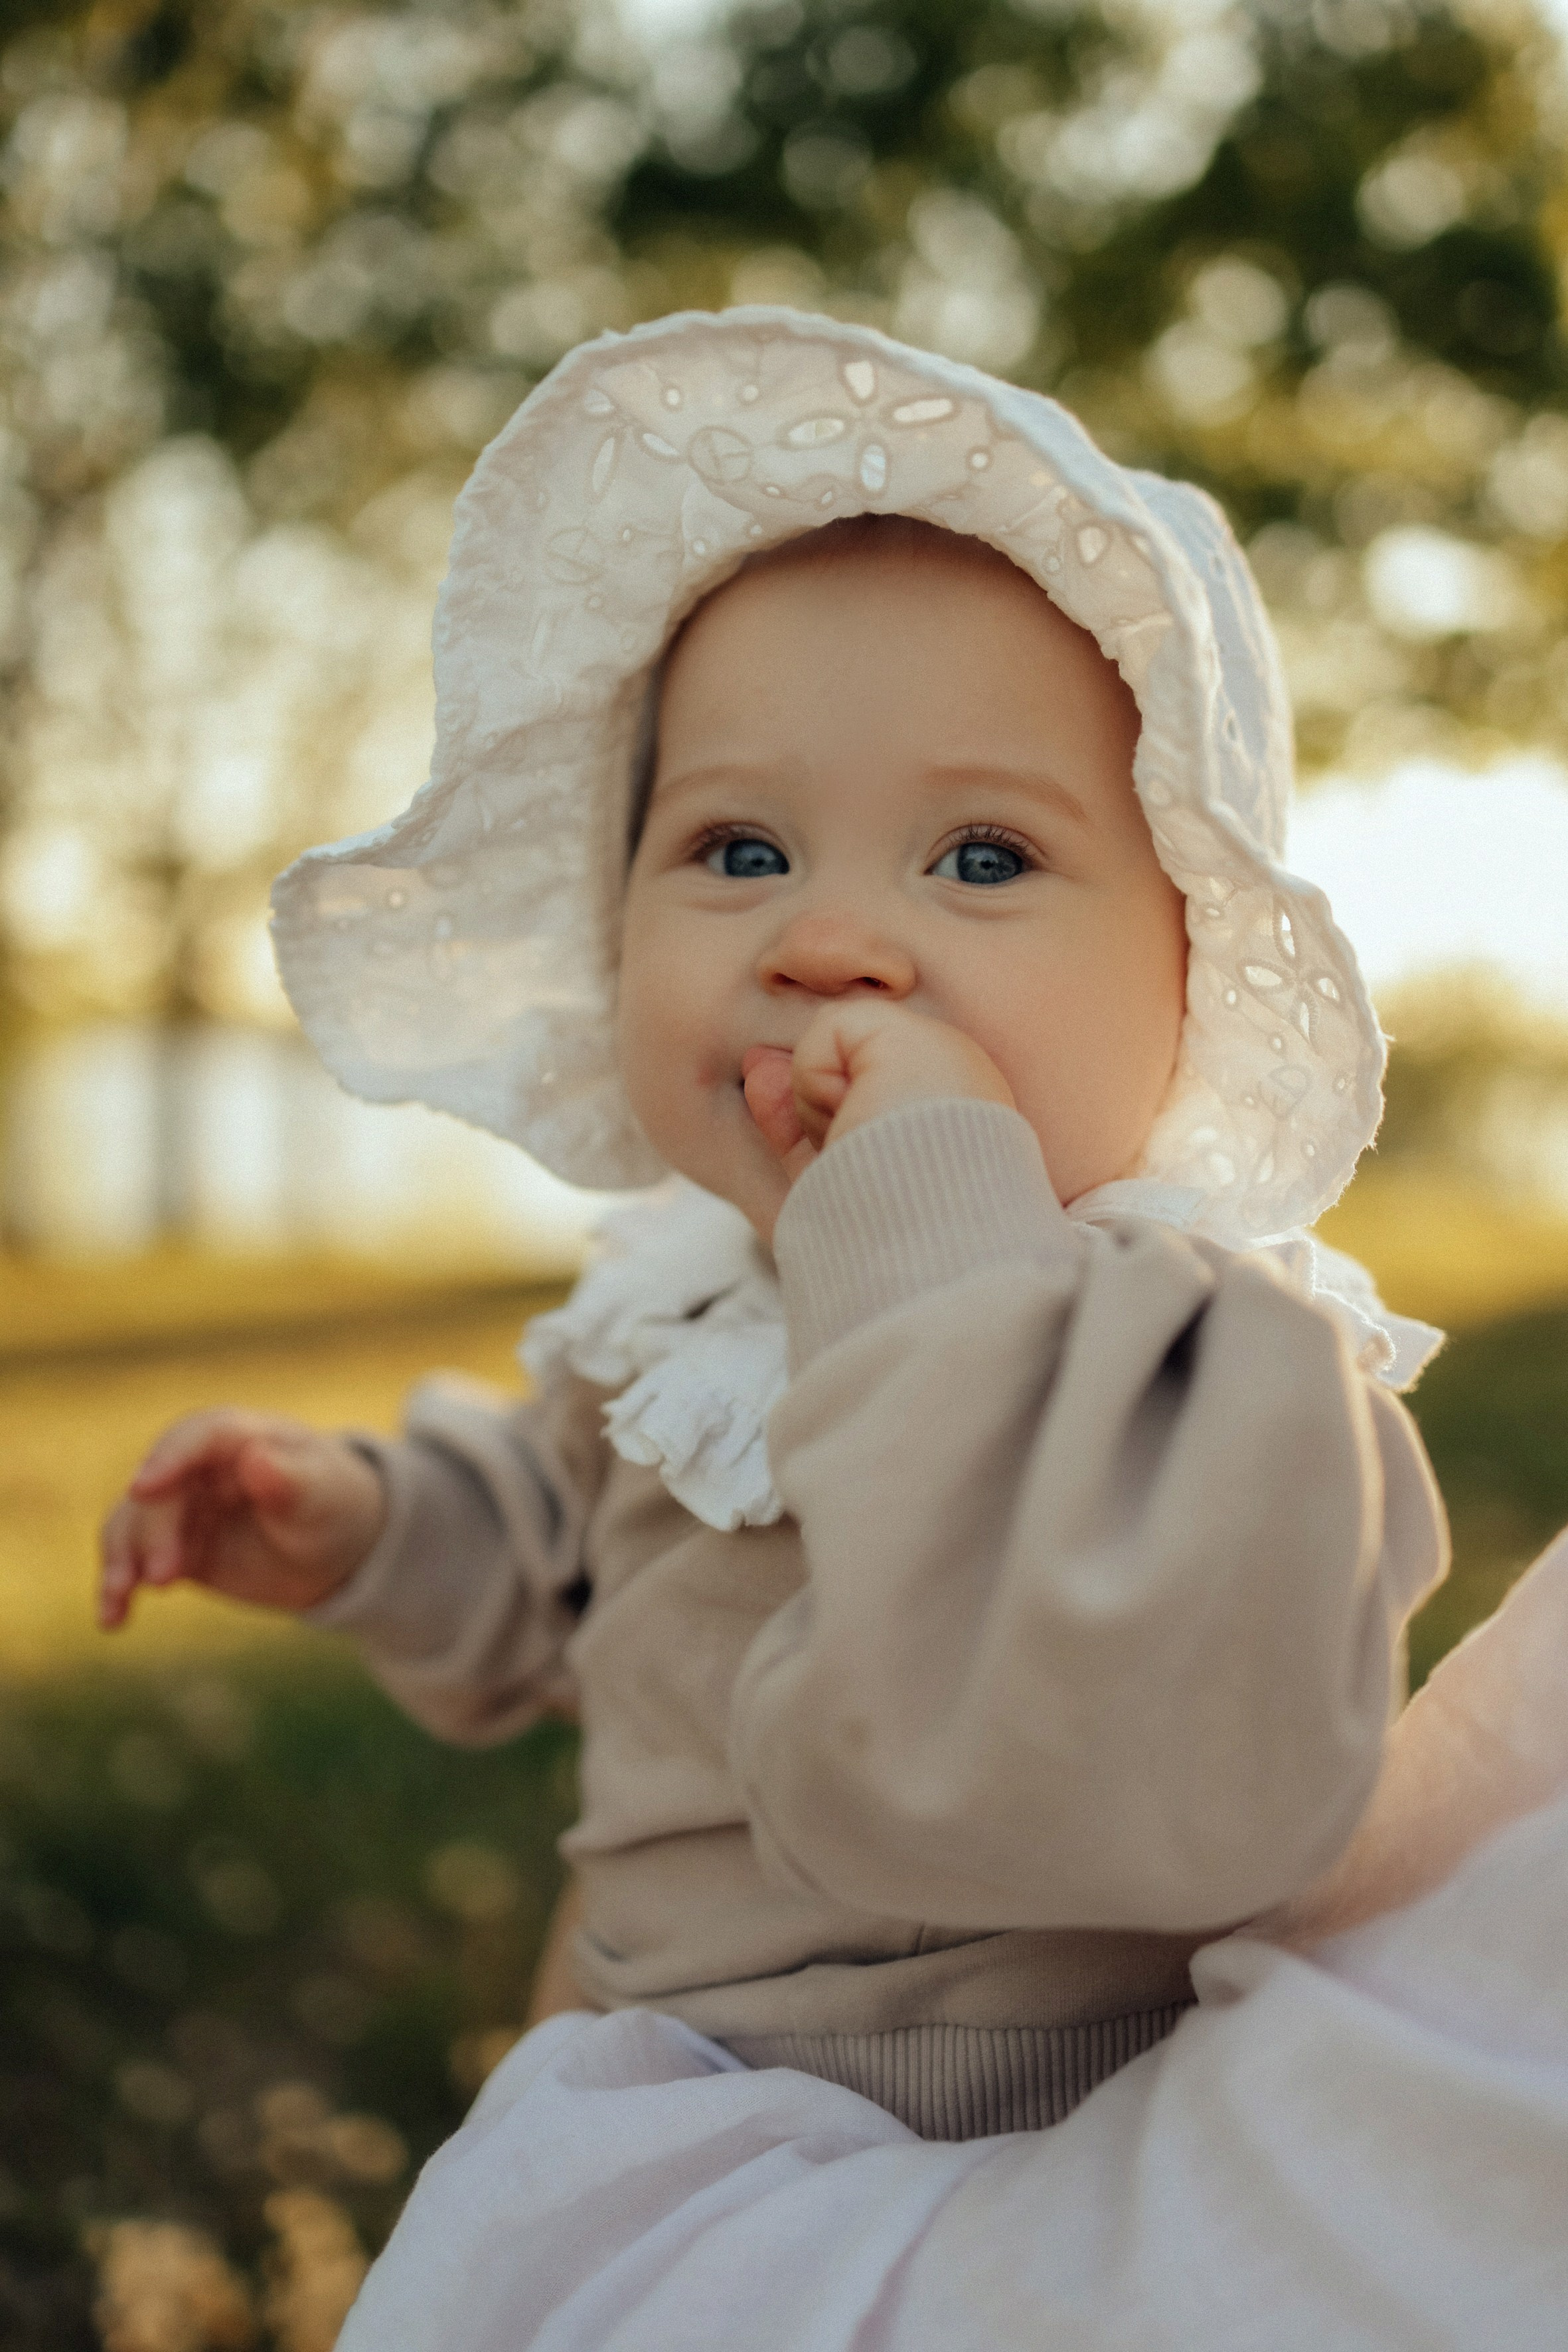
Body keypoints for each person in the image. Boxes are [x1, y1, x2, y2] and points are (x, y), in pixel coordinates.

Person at [98, 311, 1567, 2342]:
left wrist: (929, 1230)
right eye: (737, 849)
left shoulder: (1202, 1352)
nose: (829, 943)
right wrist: (359, 1519)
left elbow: (1147, 1777)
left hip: (1036, 2182)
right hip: (641, 2126)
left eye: (981, 856)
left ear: (1186, 972)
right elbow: (558, 1554)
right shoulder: (678, 1319)